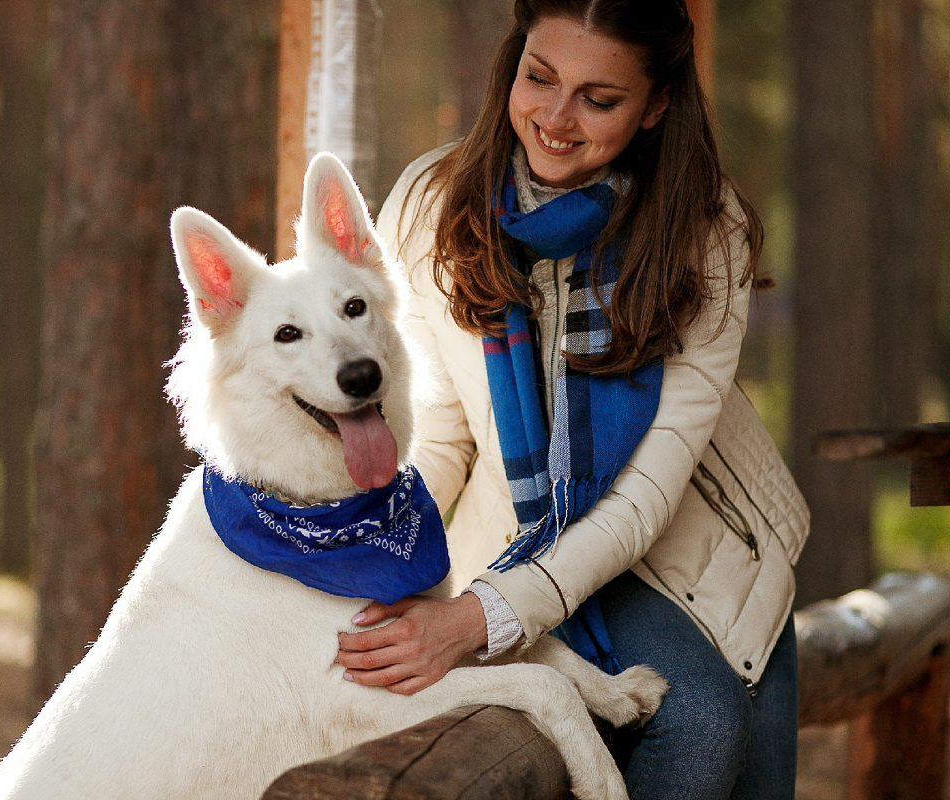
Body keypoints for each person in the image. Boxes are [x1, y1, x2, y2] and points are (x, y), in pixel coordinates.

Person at [334, 1, 811, 797]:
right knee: (698, 720)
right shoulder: (429, 205)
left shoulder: (704, 228)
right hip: (521, 525)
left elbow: (648, 494)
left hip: (687, 543)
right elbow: (440, 436)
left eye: (599, 99)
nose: (555, 120)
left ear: (655, 106)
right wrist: (362, 561)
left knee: (700, 717)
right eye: (540, 77)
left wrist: (480, 618)